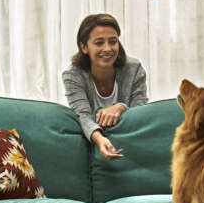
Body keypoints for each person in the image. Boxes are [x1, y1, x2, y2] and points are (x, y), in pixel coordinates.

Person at [62, 13, 148, 159]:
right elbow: (82, 116)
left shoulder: (134, 69)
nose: (108, 48)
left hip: (130, 142)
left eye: (113, 41)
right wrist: (100, 140)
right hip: (93, 143)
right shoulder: (72, 75)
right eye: (99, 43)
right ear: (84, 47)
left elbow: (140, 112)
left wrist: (121, 107)